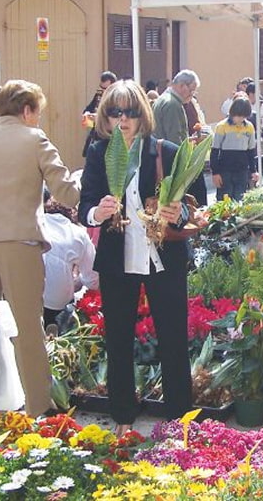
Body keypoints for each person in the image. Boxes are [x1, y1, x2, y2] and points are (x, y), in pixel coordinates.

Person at [79, 79, 193, 435]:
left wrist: (180, 216)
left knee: (173, 337)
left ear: (141, 114)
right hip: (118, 259)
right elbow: (84, 206)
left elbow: (194, 206)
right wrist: (97, 212)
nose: (123, 119)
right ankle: (123, 417)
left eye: (129, 111)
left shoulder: (165, 151)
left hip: (162, 256)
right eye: (115, 112)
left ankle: (179, 419)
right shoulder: (99, 154)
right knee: (118, 338)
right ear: (106, 116)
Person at [0, 79, 80, 417]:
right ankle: (37, 407)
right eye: (37, 113)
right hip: (20, 242)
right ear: (27, 110)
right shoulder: (34, 139)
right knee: (27, 328)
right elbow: (67, 193)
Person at [42, 193, 99, 335]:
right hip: (58, 303)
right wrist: (78, 281)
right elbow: (93, 280)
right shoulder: (78, 234)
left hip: (28, 297)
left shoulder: (33, 224)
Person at [153, 69, 208, 206]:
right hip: (172, 166)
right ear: (182, 86)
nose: (192, 94)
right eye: (192, 90)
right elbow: (175, 143)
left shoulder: (164, 99)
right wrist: (194, 142)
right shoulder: (172, 104)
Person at [210, 97, 259, 202]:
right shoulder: (222, 126)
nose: (240, 119)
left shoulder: (249, 127)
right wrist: (215, 172)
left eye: (243, 117)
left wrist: (253, 170)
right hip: (225, 170)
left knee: (240, 198)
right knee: (224, 199)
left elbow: (251, 151)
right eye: (238, 116)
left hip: (242, 170)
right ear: (233, 113)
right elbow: (214, 151)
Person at [82, 71, 118, 157]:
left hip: (109, 138)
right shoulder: (99, 95)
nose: (103, 91)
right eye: (101, 87)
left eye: (106, 88)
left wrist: (98, 118)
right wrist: (87, 116)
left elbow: (116, 118)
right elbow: (89, 109)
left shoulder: (118, 99)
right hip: (96, 135)